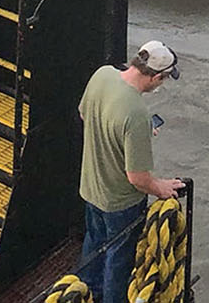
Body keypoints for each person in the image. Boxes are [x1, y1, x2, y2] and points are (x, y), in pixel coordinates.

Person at [78, 41, 185, 303]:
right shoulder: (136, 113)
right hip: (120, 203)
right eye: (164, 80)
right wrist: (163, 188)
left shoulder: (102, 75)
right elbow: (137, 179)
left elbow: (85, 114)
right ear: (157, 76)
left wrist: (133, 135)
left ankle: (83, 293)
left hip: (90, 188)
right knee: (118, 260)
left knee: (93, 244)